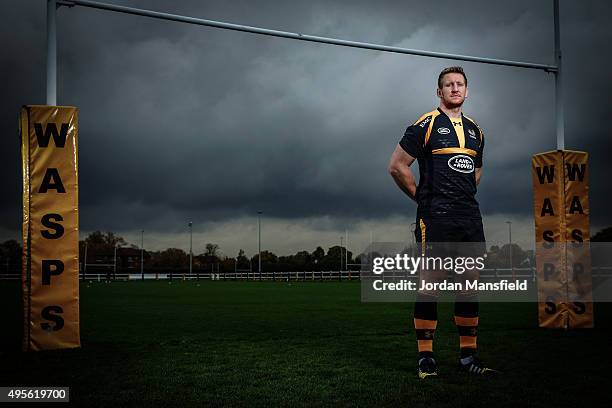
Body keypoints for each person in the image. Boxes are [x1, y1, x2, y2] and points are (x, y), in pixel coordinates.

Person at [388, 66, 497, 378]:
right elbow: (397, 166)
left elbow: (476, 171)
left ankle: (468, 358)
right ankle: (426, 359)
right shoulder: (425, 125)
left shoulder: (477, 131)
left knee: (468, 286)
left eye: (459, 84)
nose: (454, 88)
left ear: (466, 90)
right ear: (439, 92)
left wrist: (463, 196)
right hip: (436, 216)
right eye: (448, 84)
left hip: (469, 217)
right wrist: (423, 199)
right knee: (431, 284)